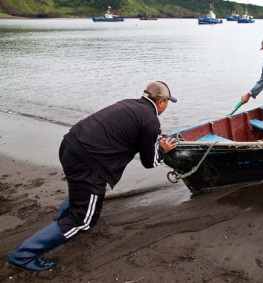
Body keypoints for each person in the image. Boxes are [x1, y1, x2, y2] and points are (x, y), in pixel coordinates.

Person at [6, 81, 178, 271]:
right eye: (167, 102)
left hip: (70, 145)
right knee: (83, 220)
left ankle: (62, 218)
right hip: (88, 162)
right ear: (161, 102)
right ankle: (22, 256)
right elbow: (150, 161)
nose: (166, 106)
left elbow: (128, 132)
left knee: (82, 189)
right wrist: (162, 149)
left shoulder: (130, 104)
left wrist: (151, 137)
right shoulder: (150, 120)